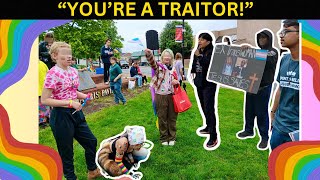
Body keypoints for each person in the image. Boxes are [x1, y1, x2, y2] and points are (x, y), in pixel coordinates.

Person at [41, 42, 102, 180]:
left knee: (91, 141)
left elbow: (72, 92)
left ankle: (92, 170)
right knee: (66, 151)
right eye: (65, 55)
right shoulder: (52, 74)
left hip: (76, 114)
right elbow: (45, 100)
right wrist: (69, 103)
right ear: (55, 56)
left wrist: (84, 96)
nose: (69, 57)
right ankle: (71, 177)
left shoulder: (73, 70)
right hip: (61, 116)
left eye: (70, 54)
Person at [237, 29, 279, 150]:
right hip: (251, 85)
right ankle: (248, 130)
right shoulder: (256, 52)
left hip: (264, 87)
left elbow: (267, 59)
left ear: (269, 39)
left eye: (264, 38)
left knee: (261, 112)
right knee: (249, 110)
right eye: (260, 38)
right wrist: (246, 51)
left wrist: (250, 50)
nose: (261, 40)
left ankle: (264, 137)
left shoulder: (273, 52)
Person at [270, 19, 300, 150]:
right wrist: (272, 112)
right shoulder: (284, 59)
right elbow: (280, 88)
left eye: (286, 31)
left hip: (299, 132)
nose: (280, 35)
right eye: (281, 31)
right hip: (278, 128)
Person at [145, 48, 180, 146]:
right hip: (160, 96)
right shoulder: (158, 67)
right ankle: (164, 138)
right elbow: (152, 63)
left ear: (172, 57)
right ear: (162, 57)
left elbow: (177, 82)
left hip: (172, 96)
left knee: (172, 117)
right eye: (165, 55)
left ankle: (172, 137)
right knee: (162, 117)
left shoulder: (173, 68)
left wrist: (176, 82)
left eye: (169, 55)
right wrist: (149, 54)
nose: (167, 57)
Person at [191, 33, 219, 148]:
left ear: (208, 41)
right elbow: (195, 64)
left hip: (209, 85)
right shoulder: (198, 51)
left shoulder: (212, 51)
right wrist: (193, 73)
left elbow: (210, 65)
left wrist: (199, 56)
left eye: (202, 39)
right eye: (199, 39)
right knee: (203, 107)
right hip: (199, 83)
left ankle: (214, 137)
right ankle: (208, 127)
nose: (199, 41)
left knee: (209, 109)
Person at [39, 59, 50, 128]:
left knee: (41, 107)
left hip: (39, 90)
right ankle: (46, 119)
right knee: (45, 106)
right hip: (44, 89)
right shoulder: (42, 64)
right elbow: (48, 74)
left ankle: (42, 121)